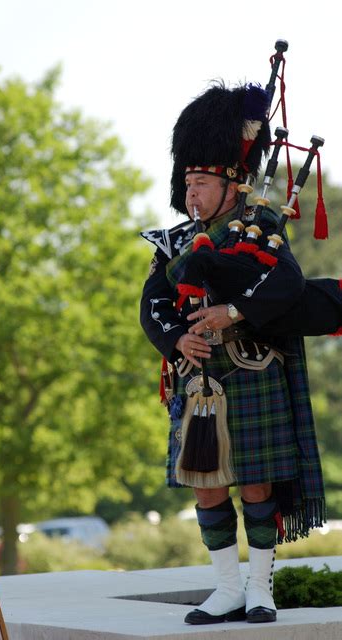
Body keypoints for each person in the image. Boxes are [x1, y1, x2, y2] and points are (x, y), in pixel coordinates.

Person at [140, 83, 325, 625]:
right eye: (187, 183)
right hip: (199, 380)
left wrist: (232, 313)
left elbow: (286, 286)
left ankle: (260, 590)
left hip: (252, 372)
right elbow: (152, 306)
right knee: (206, 483)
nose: (190, 193)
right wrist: (177, 338)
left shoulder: (262, 228)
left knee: (257, 483)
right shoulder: (174, 242)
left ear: (229, 183)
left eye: (200, 183)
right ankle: (225, 589)